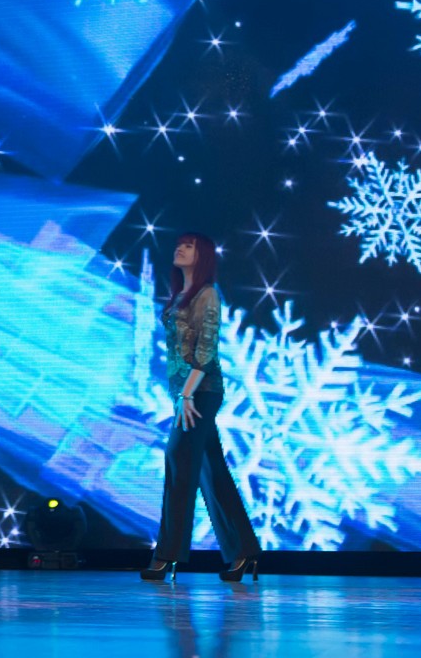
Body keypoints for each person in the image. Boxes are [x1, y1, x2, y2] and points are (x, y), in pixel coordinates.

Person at [141, 232, 261, 582]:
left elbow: (206, 352)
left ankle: (167, 555)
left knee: (178, 461)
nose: (180, 248)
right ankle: (243, 552)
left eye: (189, 246)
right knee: (211, 471)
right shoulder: (181, 294)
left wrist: (187, 395)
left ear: (203, 255)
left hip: (200, 393)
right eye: (180, 244)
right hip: (186, 394)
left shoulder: (207, 293)